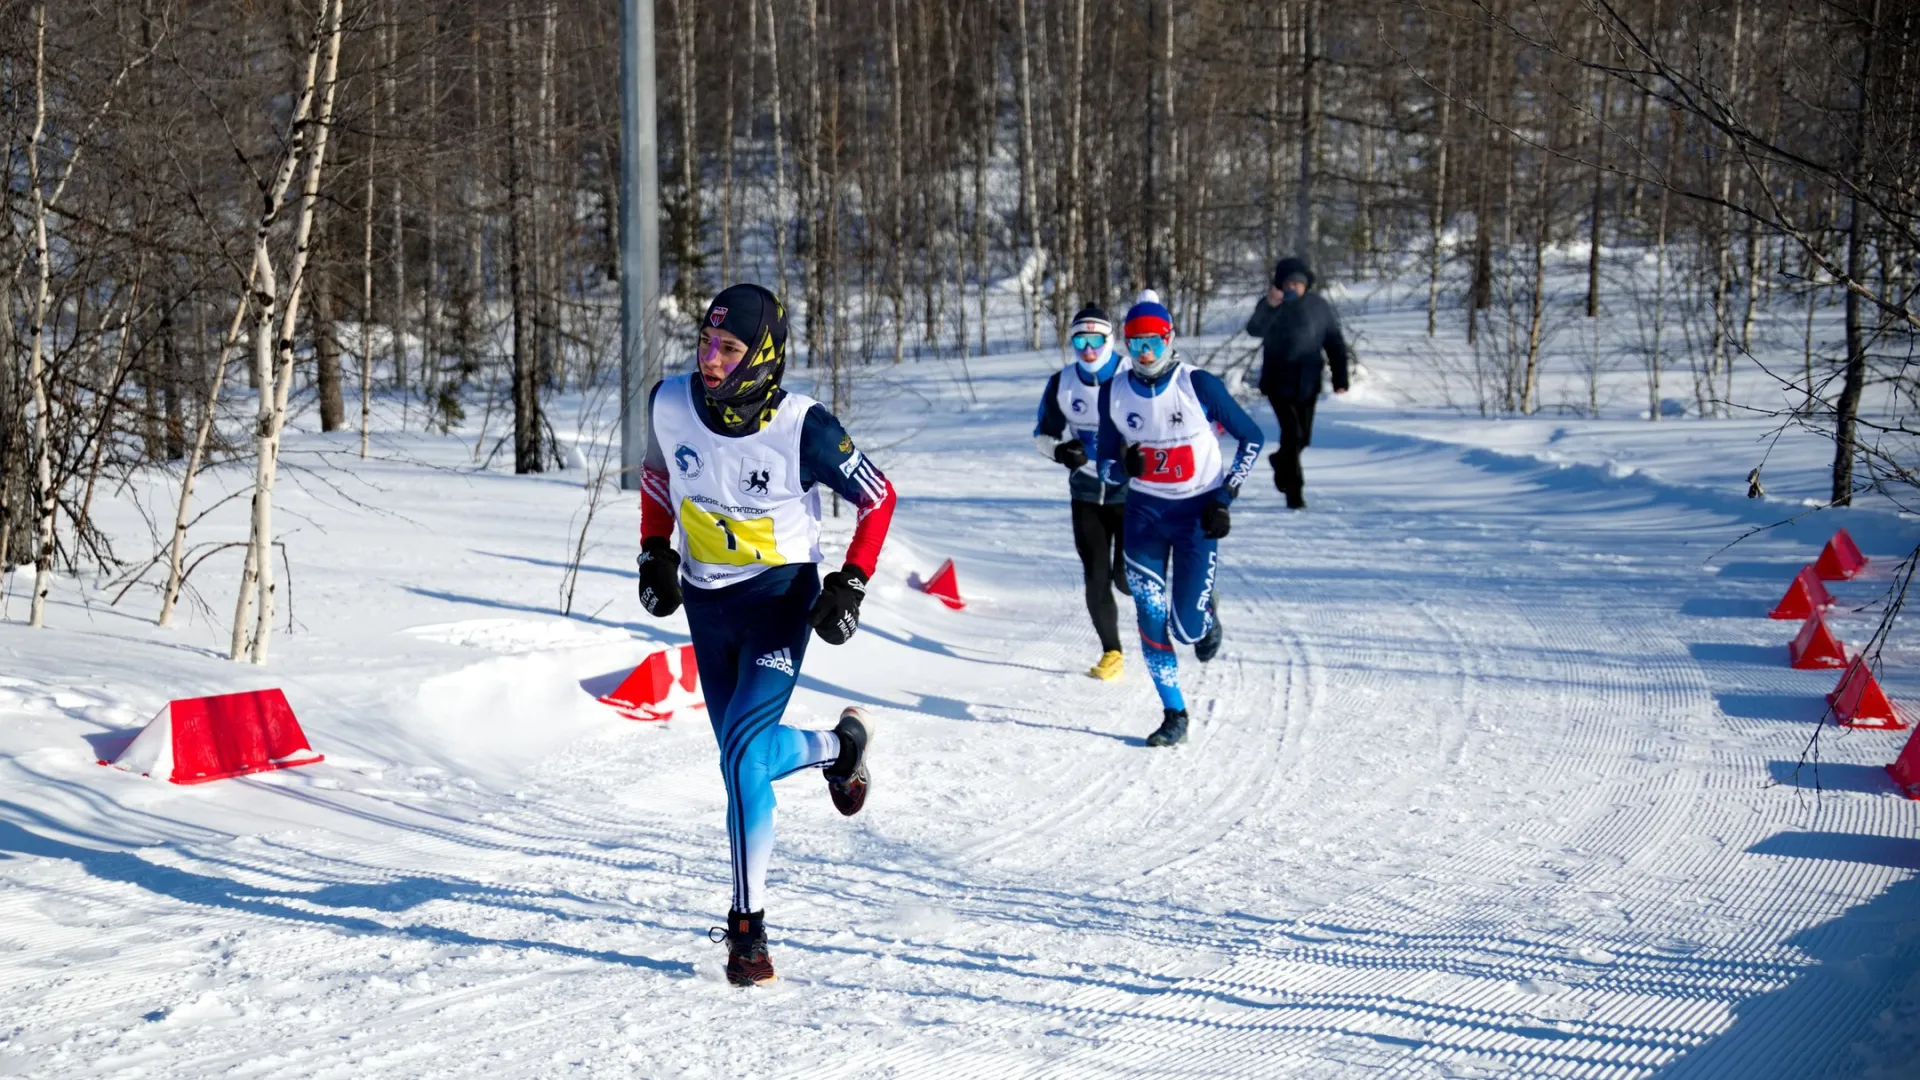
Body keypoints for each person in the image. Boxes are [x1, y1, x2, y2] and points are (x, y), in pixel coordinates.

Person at [635, 283, 896, 987]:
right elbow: (659, 475)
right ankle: (842, 749)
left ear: (764, 356)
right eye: (704, 343)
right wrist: (654, 550)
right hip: (707, 603)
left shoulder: (804, 427)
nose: (710, 361)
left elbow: (879, 497)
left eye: (728, 348)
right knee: (739, 763)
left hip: (780, 601)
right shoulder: (668, 402)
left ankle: (747, 933)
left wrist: (852, 582)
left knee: (746, 762)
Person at [1096, 295, 1264, 747]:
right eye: (1136, 343)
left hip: (1196, 515)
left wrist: (1225, 496)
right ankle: (1174, 714)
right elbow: (1105, 463)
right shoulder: (1114, 391)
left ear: (1170, 339)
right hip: (1145, 516)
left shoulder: (1198, 385)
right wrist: (1123, 470)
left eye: (1153, 342)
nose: (1145, 353)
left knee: (1187, 628)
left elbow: (1252, 437)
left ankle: (1206, 614)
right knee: (1150, 615)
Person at [1033, 305, 1132, 681]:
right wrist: (1060, 451)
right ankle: (1112, 651)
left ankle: (1184, 599)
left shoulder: (1130, 375)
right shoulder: (1063, 383)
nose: (1088, 349)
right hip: (1087, 492)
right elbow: (1043, 435)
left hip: (1131, 493)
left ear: (1110, 341)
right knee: (1096, 575)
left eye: (1096, 341)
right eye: (1079, 340)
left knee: (1126, 578)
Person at [1244, 256, 1349, 509]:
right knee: (1292, 435)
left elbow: (1334, 341)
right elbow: (1253, 329)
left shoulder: (1318, 306)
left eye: (1297, 283)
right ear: (1280, 284)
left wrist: (1340, 377)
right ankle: (1294, 493)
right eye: (1288, 283)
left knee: (1303, 439)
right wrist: (1269, 306)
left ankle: (1280, 461)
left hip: (1309, 381)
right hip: (1278, 381)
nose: (1293, 287)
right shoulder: (1271, 305)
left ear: (1305, 285)